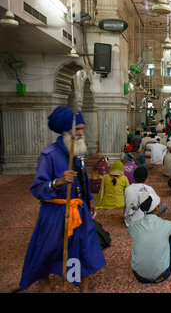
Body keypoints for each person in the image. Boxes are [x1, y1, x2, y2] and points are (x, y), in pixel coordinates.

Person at [19, 105, 106, 293]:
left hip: (79, 211)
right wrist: (58, 181)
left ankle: (84, 289)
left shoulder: (79, 153)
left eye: (82, 128)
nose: (81, 133)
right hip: (54, 214)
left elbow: (82, 183)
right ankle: (45, 286)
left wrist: (88, 202)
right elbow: (37, 189)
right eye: (77, 129)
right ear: (65, 130)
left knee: (85, 253)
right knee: (45, 255)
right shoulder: (48, 155)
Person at [128, 187, 171, 284]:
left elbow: (129, 232)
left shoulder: (133, 226)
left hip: (139, 275)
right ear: (157, 208)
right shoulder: (166, 225)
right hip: (162, 275)